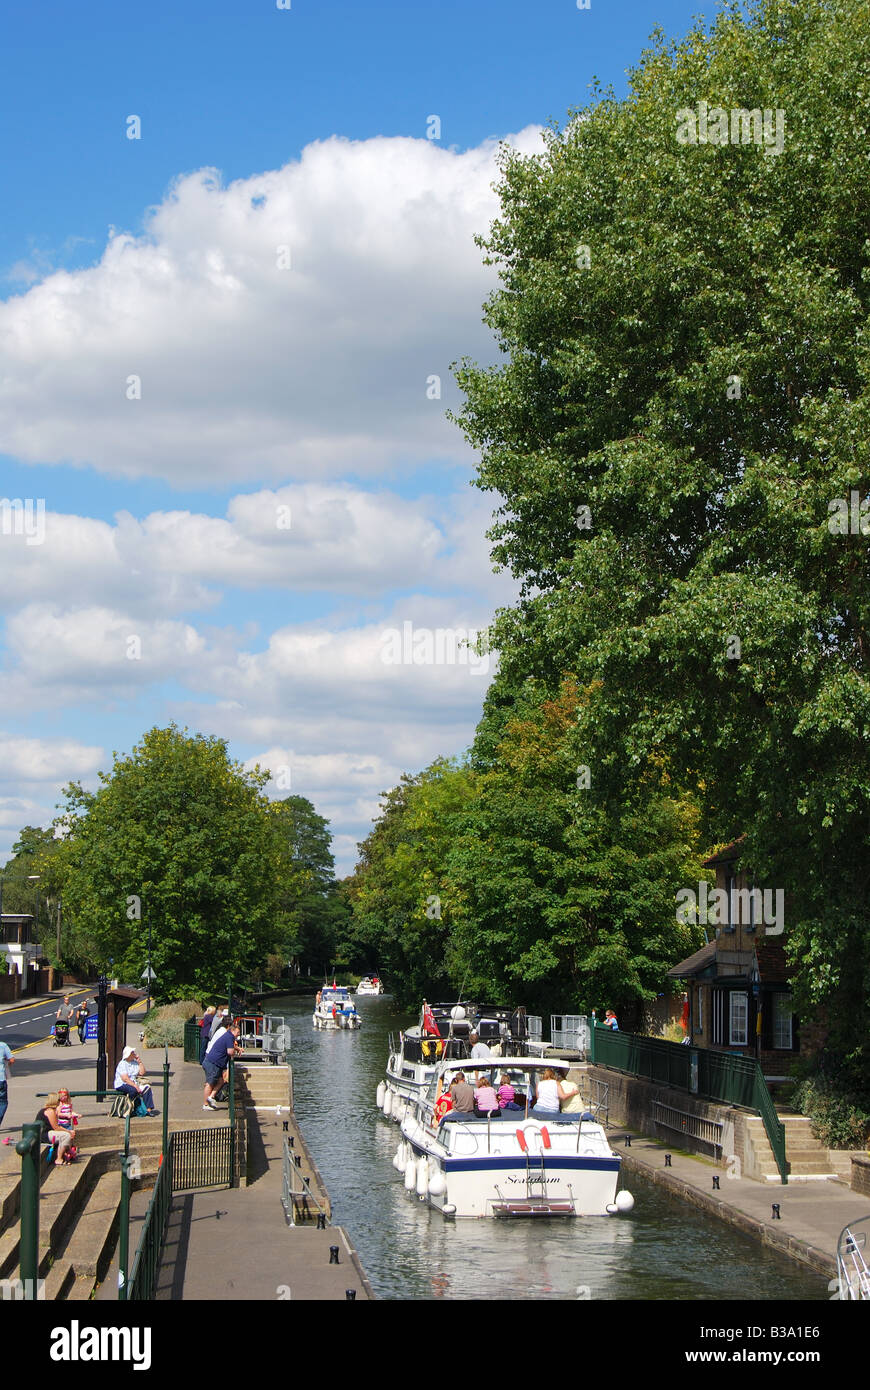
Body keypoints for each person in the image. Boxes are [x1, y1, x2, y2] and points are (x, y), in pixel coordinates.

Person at [202, 1022, 240, 1110]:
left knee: (221, 1081)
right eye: (237, 1032)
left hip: (215, 1063)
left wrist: (237, 1048)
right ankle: (205, 1104)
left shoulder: (228, 1036)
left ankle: (211, 1097)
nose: (238, 1035)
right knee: (210, 1083)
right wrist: (235, 1053)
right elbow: (230, 1052)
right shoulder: (229, 1037)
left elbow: (229, 1048)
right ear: (232, 1030)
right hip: (213, 1063)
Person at [113, 1046, 157, 1114]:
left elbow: (142, 1072)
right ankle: (129, 1108)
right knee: (133, 1090)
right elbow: (125, 1079)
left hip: (134, 1082)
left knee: (147, 1087)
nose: (134, 1054)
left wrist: (139, 1062)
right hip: (122, 1084)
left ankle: (148, 1109)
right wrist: (135, 1086)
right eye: (132, 1052)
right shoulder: (122, 1064)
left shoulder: (134, 1062)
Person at [36, 1093, 74, 1165]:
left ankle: (66, 1153)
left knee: (66, 1134)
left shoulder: (51, 1110)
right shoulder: (50, 1111)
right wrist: (69, 1132)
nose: (60, 1102)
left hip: (47, 1132)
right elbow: (56, 1127)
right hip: (44, 1134)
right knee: (66, 1136)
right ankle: (59, 1158)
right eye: (59, 1100)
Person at [0, 1037, 14, 1127]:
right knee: (3, 1102)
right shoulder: (3, 1045)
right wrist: (7, 1065)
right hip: (1, 1079)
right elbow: (12, 1059)